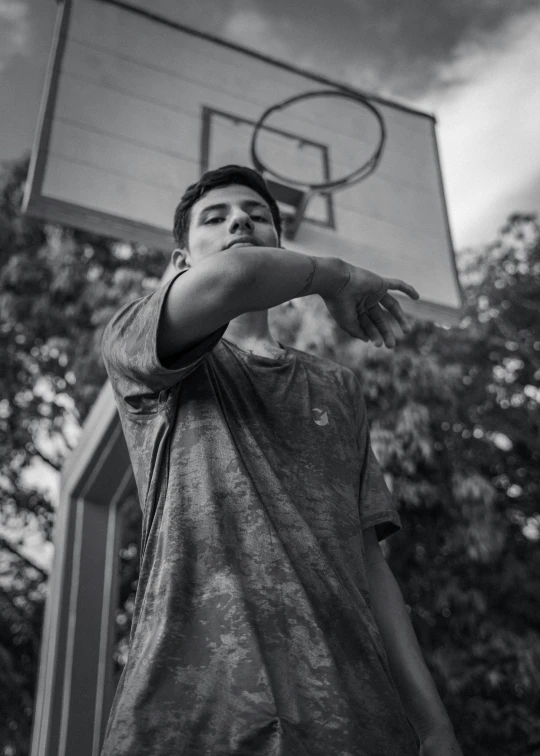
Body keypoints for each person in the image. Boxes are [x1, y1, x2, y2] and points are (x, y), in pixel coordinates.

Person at [100, 165, 463, 756]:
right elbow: (237, 278)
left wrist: (434, 724)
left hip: (351, 715)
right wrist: (335, 275)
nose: (239, 220)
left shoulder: (337, 386)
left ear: (280, 244)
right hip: (192, 709)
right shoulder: (142, 344)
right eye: (214, 219)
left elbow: (370, 565)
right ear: (180, 263)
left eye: (256, 214)